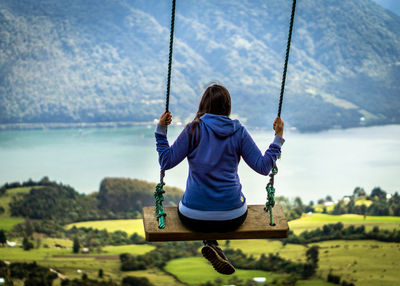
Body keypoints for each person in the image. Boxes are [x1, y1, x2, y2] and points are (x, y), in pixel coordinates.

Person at [155, 83, 284, 275]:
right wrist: (278, 137)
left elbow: (166, 161)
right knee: (221, 212)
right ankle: (212, 243)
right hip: (232, 217)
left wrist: (161, 130)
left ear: (203, 105)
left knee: (199, 211)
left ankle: (211, 242)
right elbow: (264, 167)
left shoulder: (193, 130)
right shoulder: (238, 131)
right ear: (228, 107)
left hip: (193, 217)